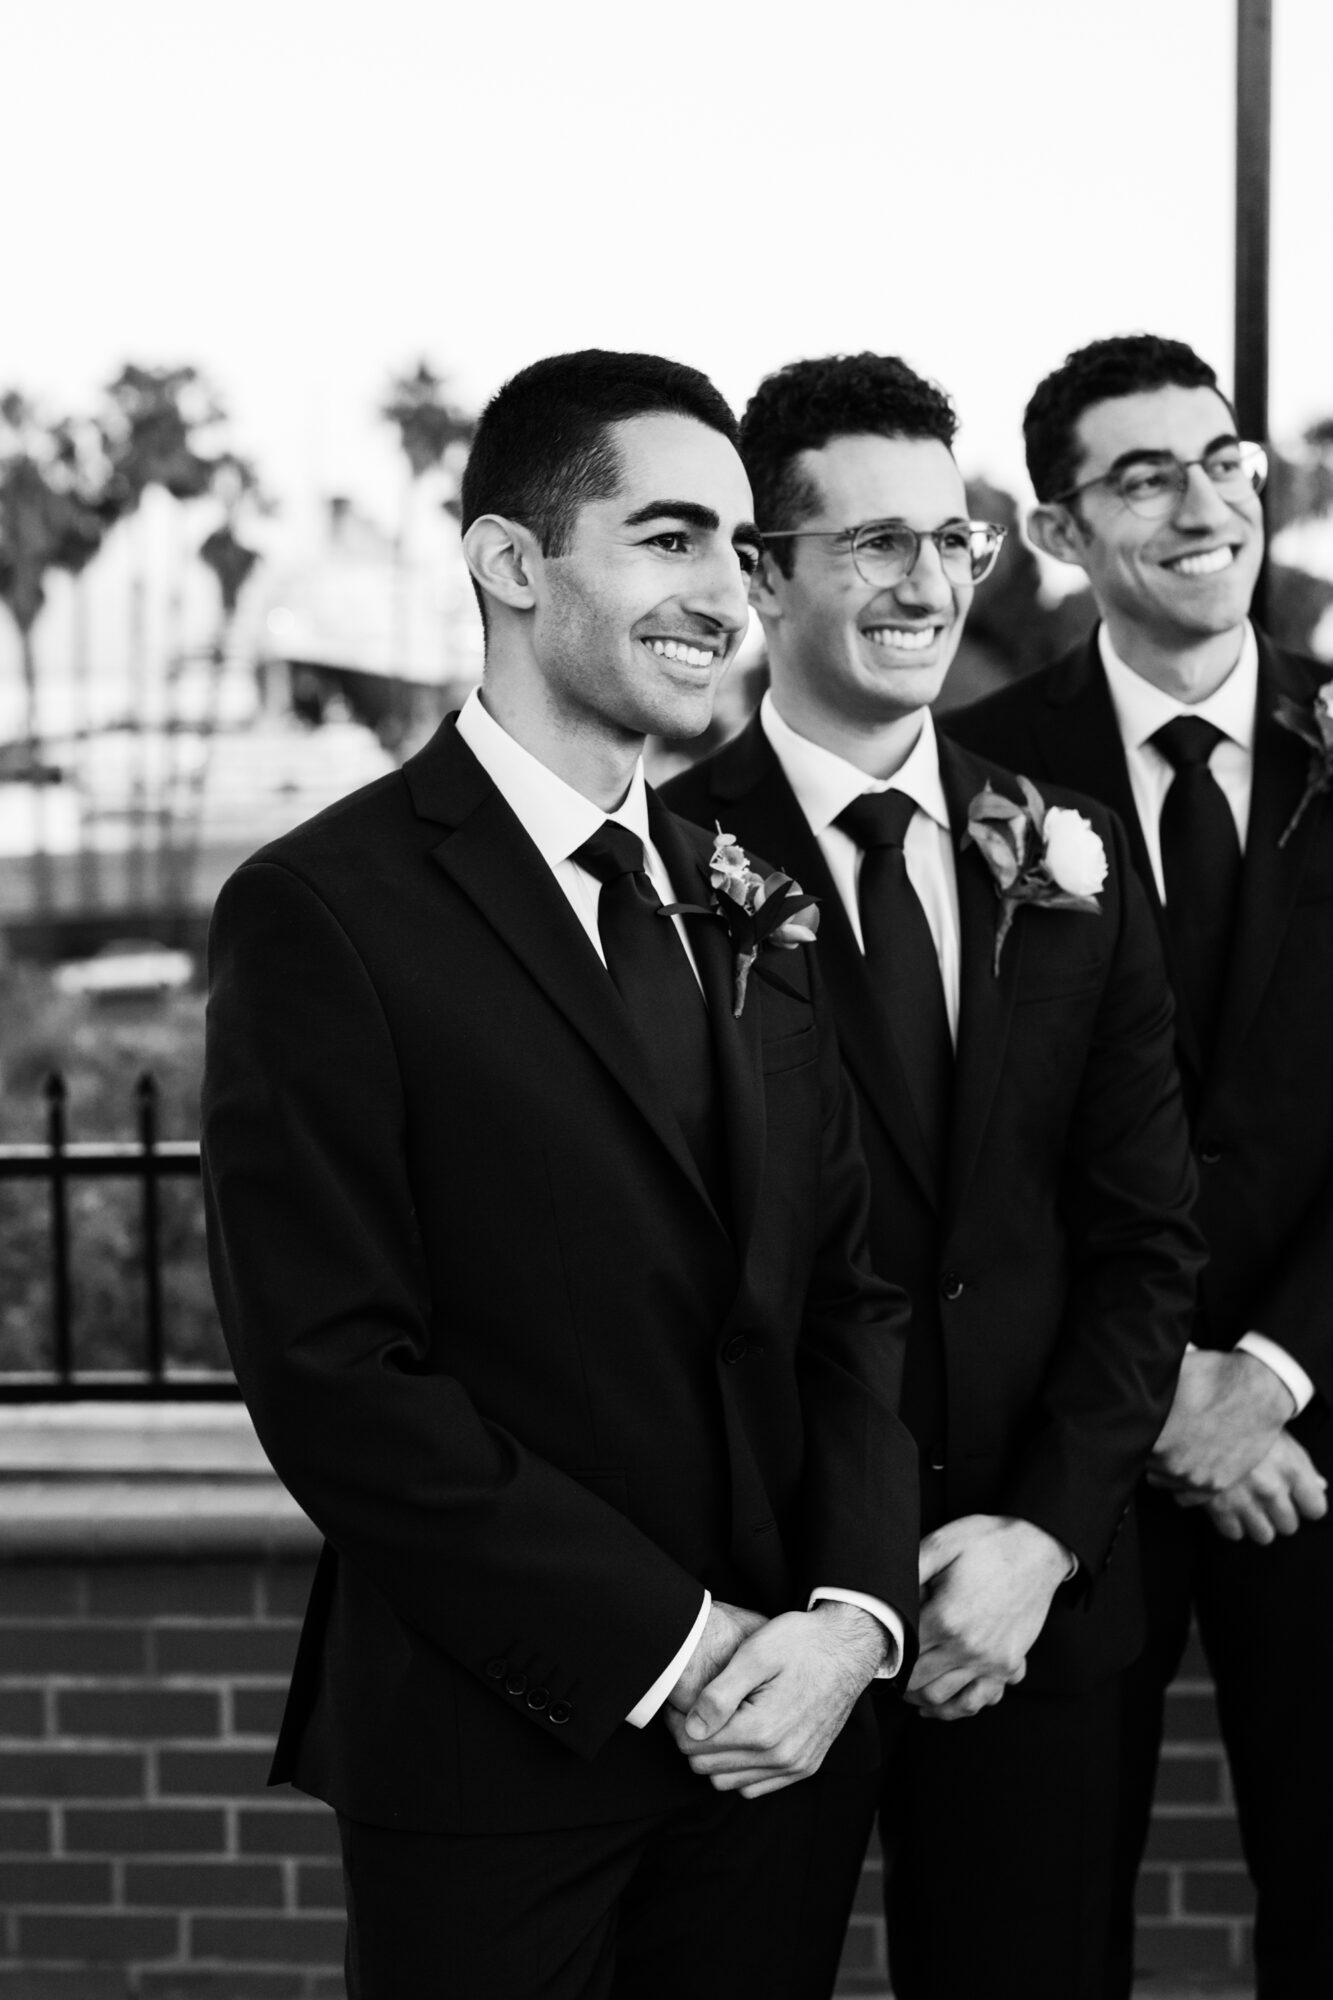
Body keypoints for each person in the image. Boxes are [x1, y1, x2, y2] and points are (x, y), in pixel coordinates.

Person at [200, 348, 920, 2000]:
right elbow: (335, 1375)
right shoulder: (326, 913)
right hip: (500, 1751)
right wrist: (681, 1647)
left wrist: (846, 1619)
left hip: (779, 1754)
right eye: (668, 540)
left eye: (739, 552)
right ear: (512, 564)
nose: (725, 597)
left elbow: (846, 1297)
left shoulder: (742, 895)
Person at [663, 351, 1204, 2000]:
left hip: (1031, 1624)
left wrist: (1040, 1538)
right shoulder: (664, 864)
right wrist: (842, 1586)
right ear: (761, 572)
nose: (925, 582)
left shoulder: (1063, 852)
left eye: (951, 539)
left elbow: (1142, 1248)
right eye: (871, 545)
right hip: (771, 1629)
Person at [948, 331, 1333, 1999]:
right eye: (1143, 473)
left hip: (1323, 1444)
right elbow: (947, 1123)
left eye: (1223, 459)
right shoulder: (971, 774)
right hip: (1060, 1462)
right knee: (1021, 1940)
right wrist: (1155, 1386)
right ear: (1056, 531)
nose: (1202, 502)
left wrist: (1268, 1369)